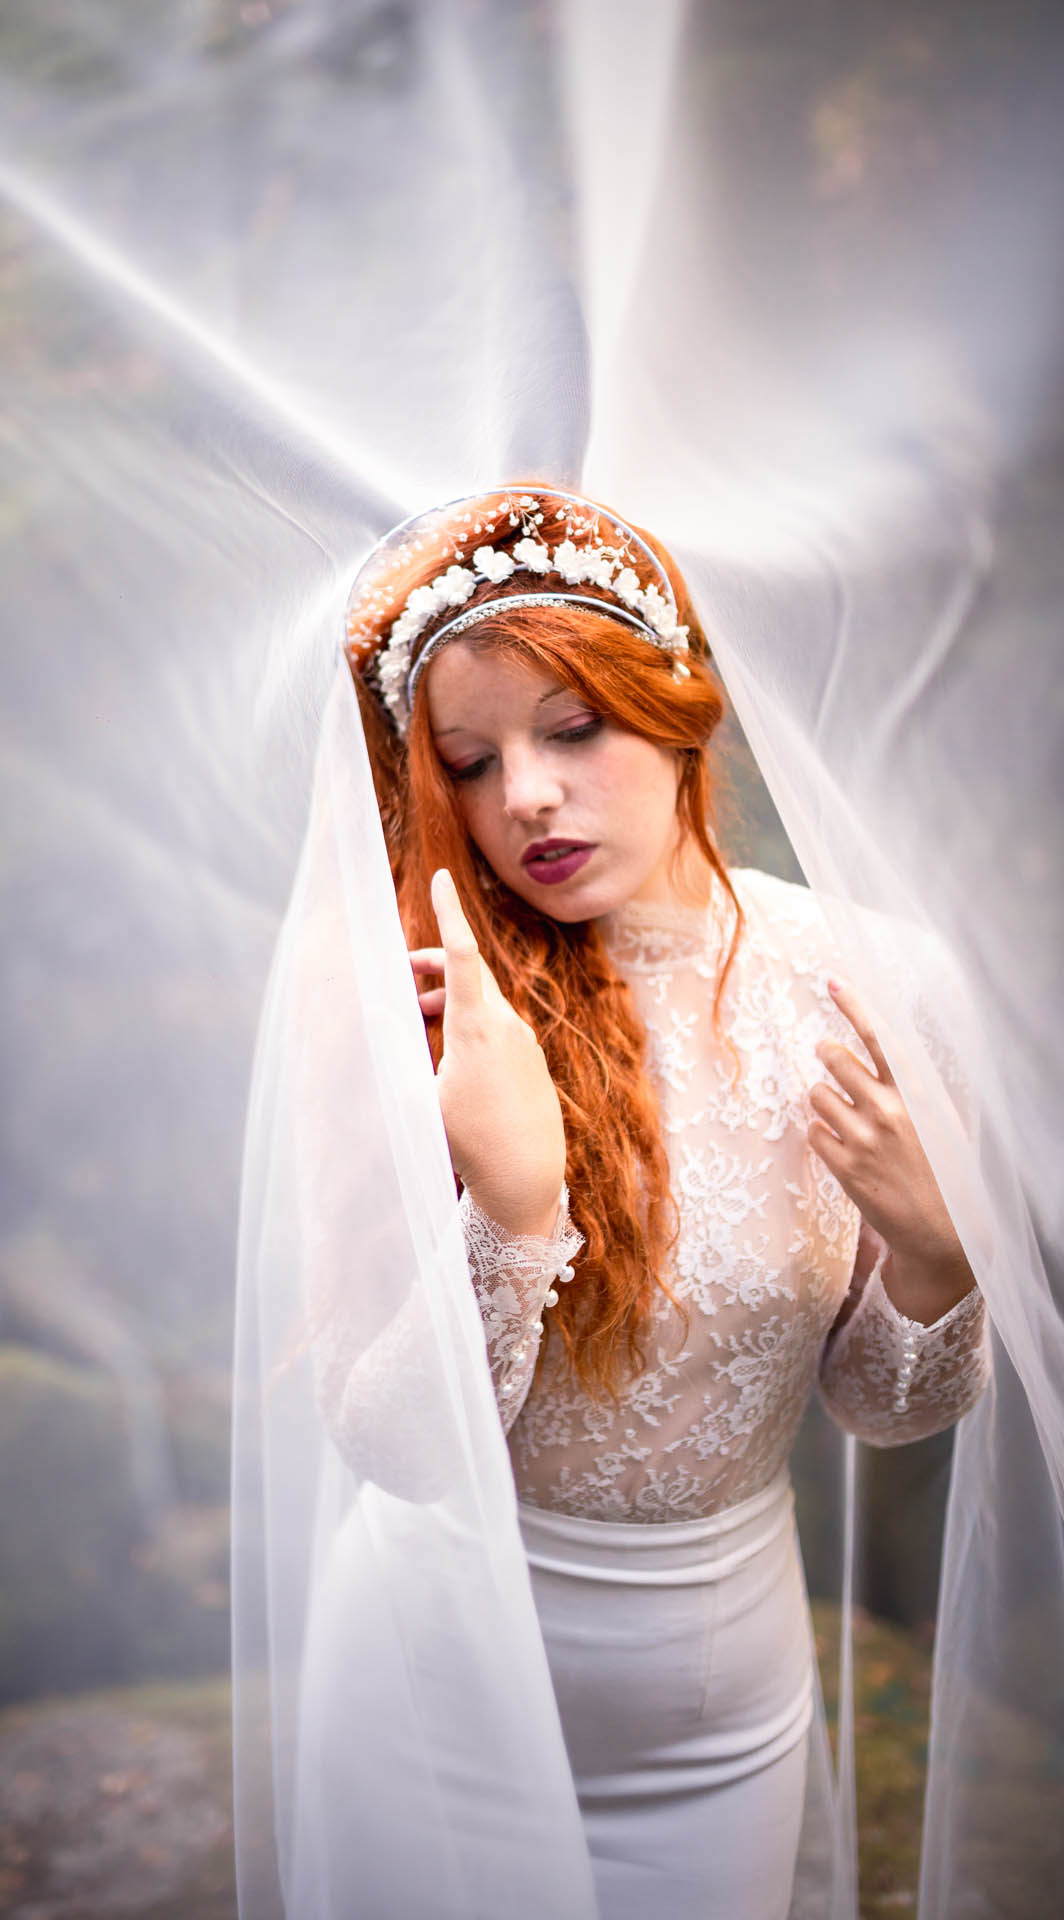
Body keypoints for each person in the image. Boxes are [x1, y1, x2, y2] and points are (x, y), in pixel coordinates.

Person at [342, 485, 992, 1920]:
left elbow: (886, 1408)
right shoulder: (432, 1004)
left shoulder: (880, 981)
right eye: (472, 759)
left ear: (678, 706)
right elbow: (391, 1439)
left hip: (718, 1697)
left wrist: (939, 1250)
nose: (524, 796)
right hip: (440, 1669)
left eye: (572, 729)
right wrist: (510, 1216)